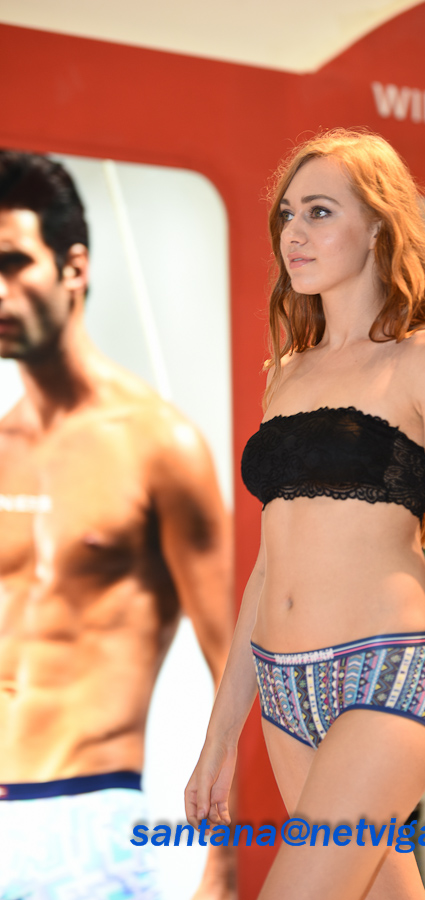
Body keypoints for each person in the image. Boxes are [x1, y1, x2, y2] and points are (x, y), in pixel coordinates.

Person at [185, 129, 425, 899]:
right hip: (282, 689)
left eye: (319, 211)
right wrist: (218, 737)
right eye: (287, 214)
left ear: (378, 226)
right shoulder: (286, 375)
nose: (293, 232)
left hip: (385, 678)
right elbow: (268, 569)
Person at [0, 151, 235, 900]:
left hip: (86, 820)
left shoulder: (159, 445)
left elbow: (236, 665)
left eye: (12, 263)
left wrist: (223, 863)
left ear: (74, 267)